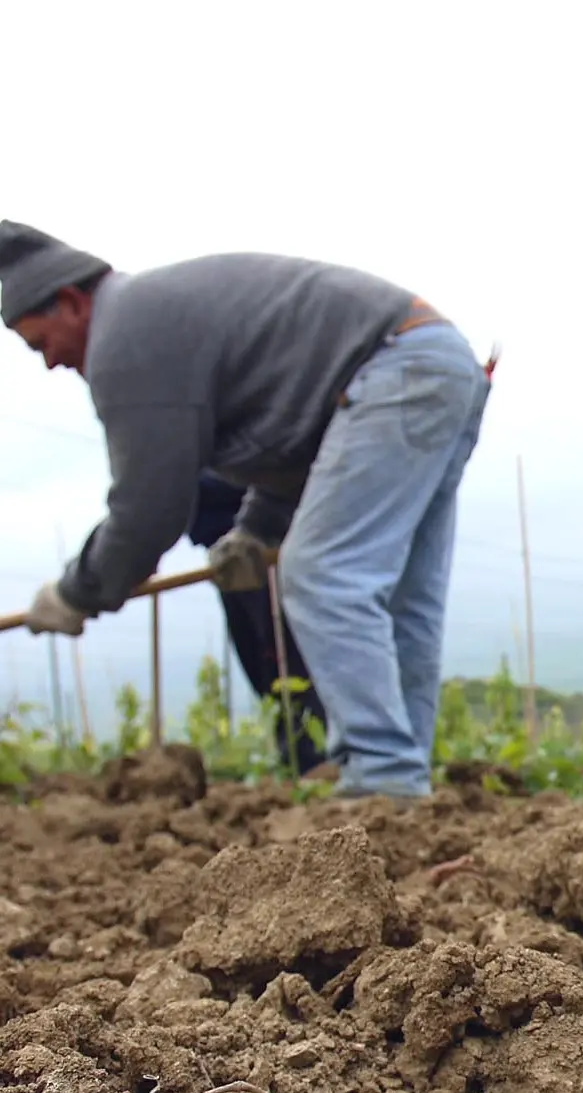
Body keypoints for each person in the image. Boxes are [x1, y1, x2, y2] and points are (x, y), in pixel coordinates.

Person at [0, 227, 492, 798]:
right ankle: (400, 779)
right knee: (405, 595)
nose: (51, 364)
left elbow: (149, 509)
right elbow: (297, 436)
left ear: (70, 301)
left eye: (41, 344)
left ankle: (382, 777)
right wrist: (254, 532)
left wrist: (76, 593)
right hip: (434, 362)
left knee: (322, 573)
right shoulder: (162, 320)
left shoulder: (124, 339)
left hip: (394, 369)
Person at [188, 470, 328, 774]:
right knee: (264, 666)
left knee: (290, 662)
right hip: (226, 551)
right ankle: (300, 763)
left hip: (269, 541)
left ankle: (315, 763)